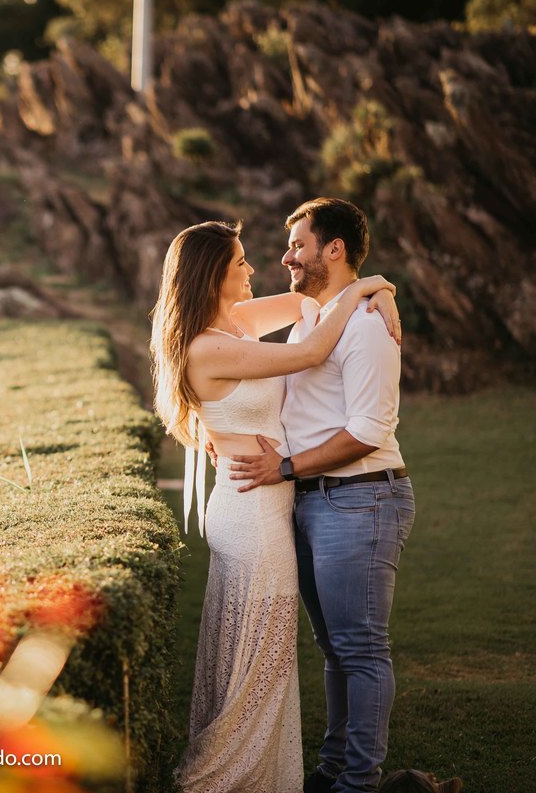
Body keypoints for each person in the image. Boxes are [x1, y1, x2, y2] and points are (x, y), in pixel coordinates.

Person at [149, 219, 400, 793]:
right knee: (261, 652)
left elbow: (303, 301)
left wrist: (374, 288)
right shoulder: (209, 346)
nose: (252, 269)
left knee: (256, 646)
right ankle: (226, 775)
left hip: (255, 501)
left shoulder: (232, 323)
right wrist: (370, 287)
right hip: (253, 510)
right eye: (240, 262)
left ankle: (256, 768)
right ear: (213, 273)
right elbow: (312, 348)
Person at [227, 198, 415, 793]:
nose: (286, 256)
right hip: (311, 500)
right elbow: (223, 311)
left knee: (360, 648)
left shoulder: (367, 327)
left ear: (333, 250)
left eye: (298, 245)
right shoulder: (312, 317)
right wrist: (376, 283)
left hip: (362, 499)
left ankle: (358, 781)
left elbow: (366, 432)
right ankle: (332, 771)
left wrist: (283, 467)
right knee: (333, 649)